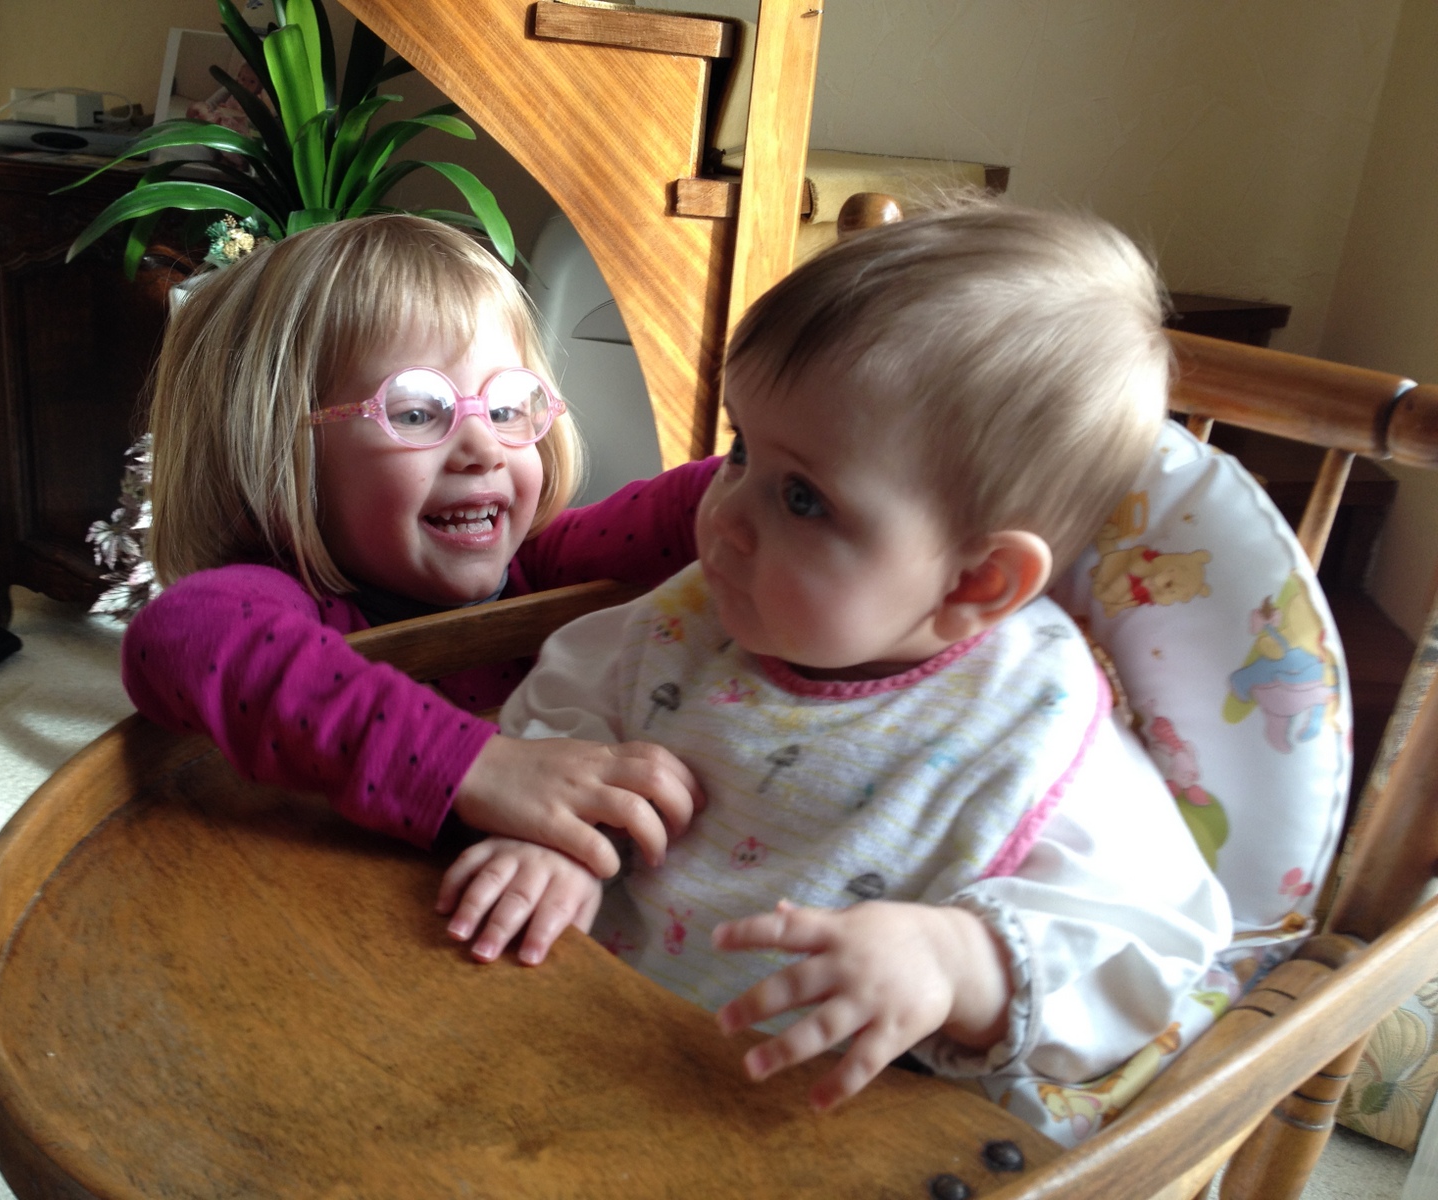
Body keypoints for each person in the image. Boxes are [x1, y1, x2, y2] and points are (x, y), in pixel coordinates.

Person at [437, 200, 1233, 1116]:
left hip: (803, 1123)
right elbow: (567, 702)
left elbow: (1153, 950)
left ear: (977, 579)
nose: (725, 516)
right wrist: (560, 832)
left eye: (804, 499)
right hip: (578, 1032)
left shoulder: (1031, 723)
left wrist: (957, 963)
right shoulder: (699, 615)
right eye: (741, 450)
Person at [122, 215, 715, 880]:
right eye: (414, 412)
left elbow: (700, 505)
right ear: (273, 456)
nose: (483, 447)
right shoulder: (289, 601)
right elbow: (178, 633)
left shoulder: (544, 565)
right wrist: (475, 767)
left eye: (505, 408)